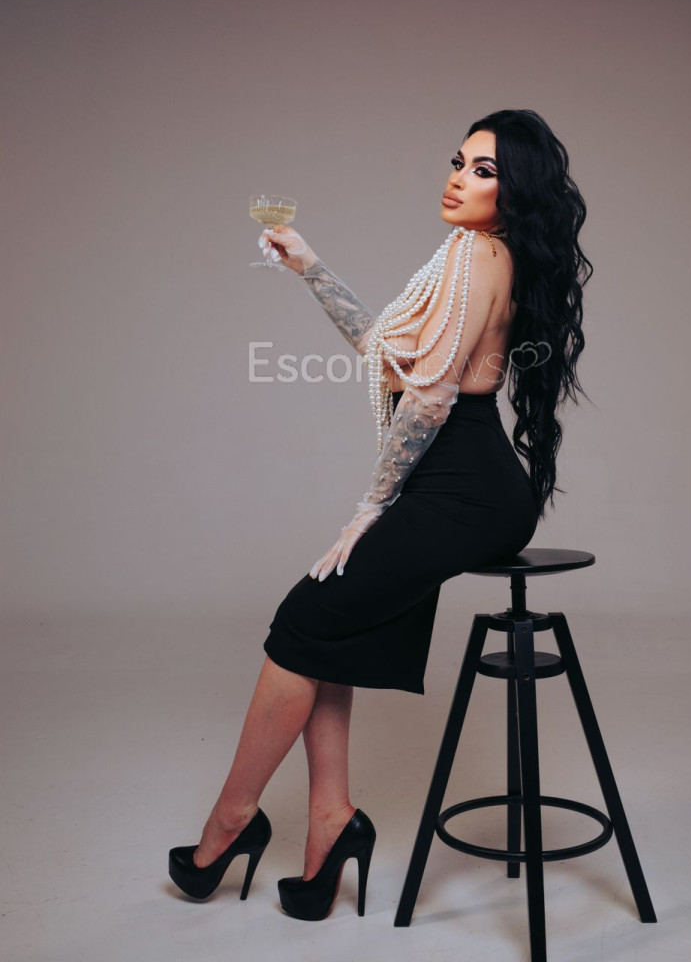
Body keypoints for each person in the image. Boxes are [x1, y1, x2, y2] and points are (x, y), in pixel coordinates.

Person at [167, 108, 593, 921]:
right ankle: (331, 825)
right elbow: (388, 357)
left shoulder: (478, 255)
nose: (458, 179)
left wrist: (370, 507)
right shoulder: (471, 255)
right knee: (327, 634)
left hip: (467, 492)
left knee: (302, 620)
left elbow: (429, 399)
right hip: (456, 486)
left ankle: (230, 822)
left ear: (514, 194)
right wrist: (310, 267)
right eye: (459, 161)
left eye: (483, 171)